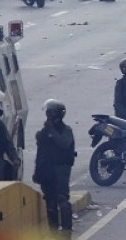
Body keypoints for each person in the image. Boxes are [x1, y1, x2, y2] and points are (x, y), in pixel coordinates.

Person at [34, 99, 76, 238]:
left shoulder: (66, 130)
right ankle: (53, 231)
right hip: (47, 169)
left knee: (62, 199)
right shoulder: (45, 130)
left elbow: (64, 144)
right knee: (50, 201)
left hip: (61, 169)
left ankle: (66, 231)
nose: (48, 115)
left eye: (50, 112)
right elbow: (41, 149)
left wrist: (52, 131)